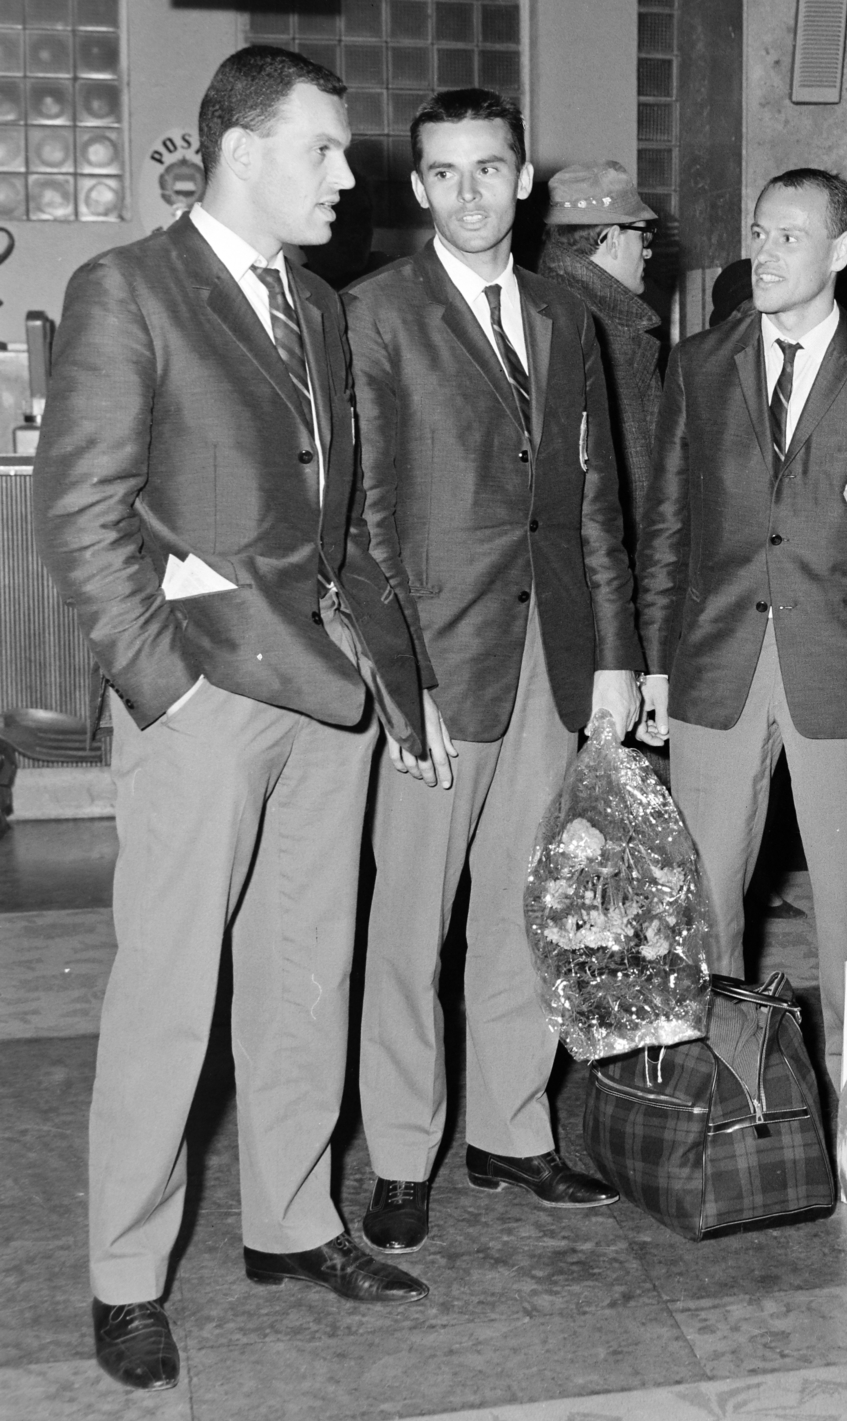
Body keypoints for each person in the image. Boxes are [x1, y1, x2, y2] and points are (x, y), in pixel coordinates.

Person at [32, 46, 431, 1393]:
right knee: (169, 992)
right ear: (244, 149)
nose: (346, 175)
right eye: (325, 149)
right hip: (201, 698)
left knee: (307, 966)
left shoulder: (316, 308)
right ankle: (127, 1279)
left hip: (324, 690)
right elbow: (81, 521)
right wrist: (167, 687)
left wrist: (387, 677)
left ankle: (290, 1219)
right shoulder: (128, 289)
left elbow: (343, 520)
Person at [344, 88, 641, 1255]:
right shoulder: (375, 315)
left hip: (551, 655)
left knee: (528, 906)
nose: (468, 192)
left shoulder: (568, 319)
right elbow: (364, 524)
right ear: (417, 189)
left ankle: (510, 1132)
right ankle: (405, 1152)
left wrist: (615, 653)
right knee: (410, 925)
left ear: (526, 180)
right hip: (436, 662)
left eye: (488, 168)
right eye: (443, 172)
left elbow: (594, 498)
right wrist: (397, 678)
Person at [634, 168, 847, 1089]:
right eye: (759, 231)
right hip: (715, 667)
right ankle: (722, 1095)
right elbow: (667, 523)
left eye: (789, 236)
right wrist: (656, 665)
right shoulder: (699, 365)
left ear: (841, 252)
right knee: (702, 902)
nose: (766, 251)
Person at [537, 160, 662, 551]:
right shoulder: (602, 328)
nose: (648, 251)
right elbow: (636, 481)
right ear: (611, 238)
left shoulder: (546, 305)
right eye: (643, 236)